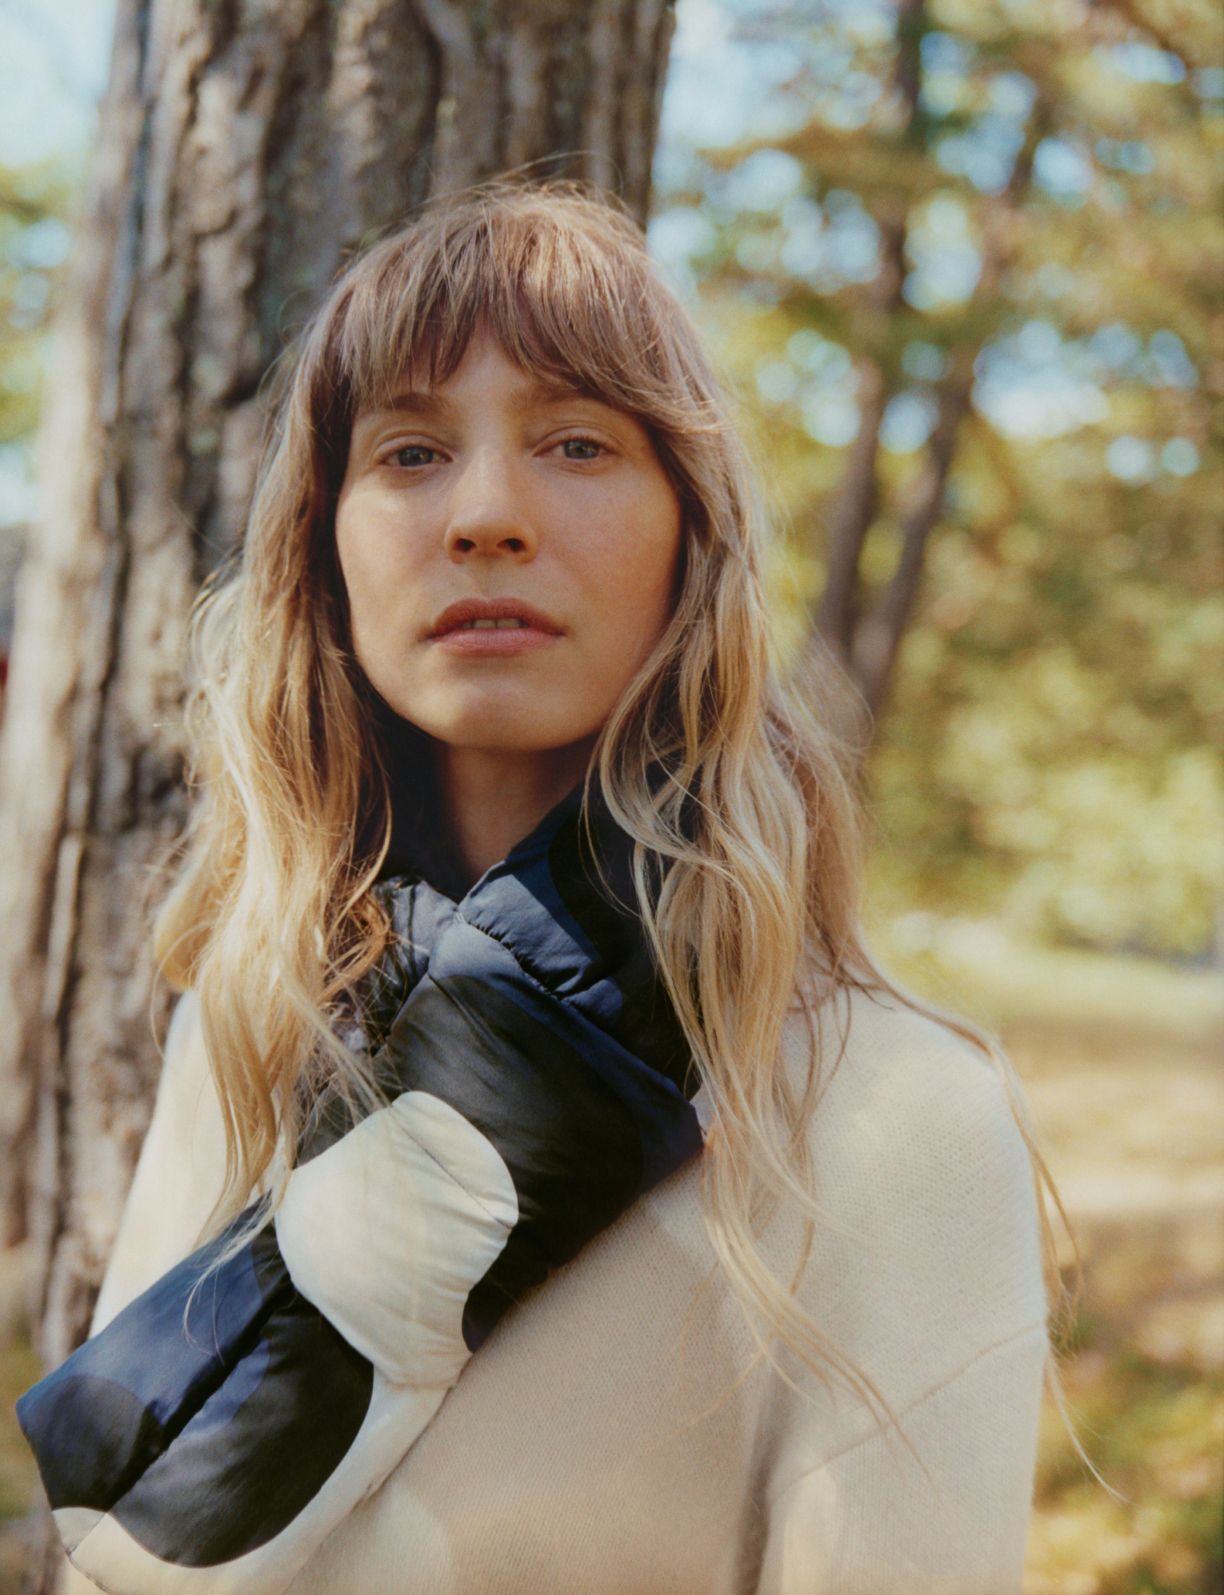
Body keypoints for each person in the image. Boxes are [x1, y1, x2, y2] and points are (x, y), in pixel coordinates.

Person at [55, 181, 1074, 1595]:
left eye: (578, 442)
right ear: (326, 555)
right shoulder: (248, 1026)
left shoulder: (882, 1117)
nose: (484, 514)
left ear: (689, 539)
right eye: (410, 451)